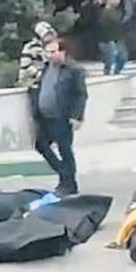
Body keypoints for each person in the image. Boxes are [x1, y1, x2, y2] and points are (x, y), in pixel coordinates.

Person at [31, 39, 88, 196]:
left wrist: (77, 116)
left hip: (62, 116)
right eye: (47, 52)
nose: (49, 55)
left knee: (65, 149)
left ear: (63, 52)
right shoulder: (47, 68)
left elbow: (81, 94)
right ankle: (64, 174)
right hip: (44, 117)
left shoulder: (73, 69)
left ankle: (68, 183)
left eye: (53, 52)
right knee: (41, 145)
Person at [97, 0, 128, 76]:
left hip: (117, 38)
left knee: (123, 57)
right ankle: (108, 73)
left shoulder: (117, 11)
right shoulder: (102, 12)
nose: (118, 0)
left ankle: (116, 72)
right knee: (110, 59)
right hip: (107, 39)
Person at [19, 22, 57, 89]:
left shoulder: (53, 47)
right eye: (47, 34)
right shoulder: (30, 47)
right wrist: (41, 75)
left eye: (51, 34)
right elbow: (26, 67)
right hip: (31, 83)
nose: (50, 37)